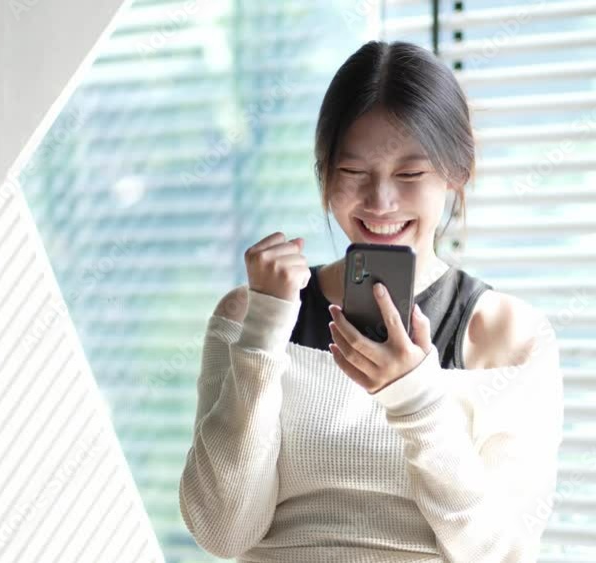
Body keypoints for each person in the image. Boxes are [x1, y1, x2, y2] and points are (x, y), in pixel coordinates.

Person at [178, 40, 563, 562]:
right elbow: (222, 532)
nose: (381, 203)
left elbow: (504, 553)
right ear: (325, 174)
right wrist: (265, 333)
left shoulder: (509, 338)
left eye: (409, 174)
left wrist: (416, 398)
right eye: (355, 173)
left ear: (457, 171)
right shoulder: (253, 314)